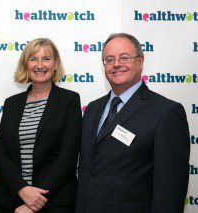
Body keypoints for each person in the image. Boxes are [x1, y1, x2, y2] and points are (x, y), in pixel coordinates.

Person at [76, 33, 190, 213]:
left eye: (124, 58)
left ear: (140, 61)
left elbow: (171, 190)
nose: (116, 64)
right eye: (109, 59)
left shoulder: (166, 112)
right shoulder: (92, 109)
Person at [0, 38, 82, 213]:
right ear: (26, 64)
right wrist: (22, 189)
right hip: (13, 199)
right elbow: (0, 152)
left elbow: (68, 156)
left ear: (56, 64)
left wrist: (34, 200)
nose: (39, 65)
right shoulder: (12, 103)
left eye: (46, 59)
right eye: (33, 59)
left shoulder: (69, 101)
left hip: (55, 201)